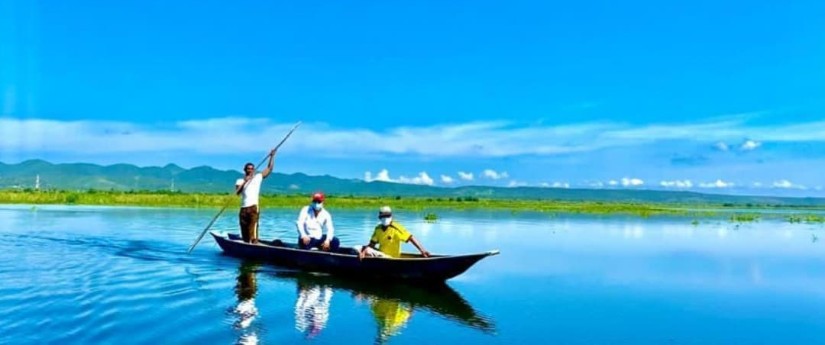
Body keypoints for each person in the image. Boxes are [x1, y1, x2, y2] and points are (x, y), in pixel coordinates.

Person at [235, 149, 276, 244]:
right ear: (245, 170)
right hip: (243, 209)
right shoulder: (240, 181)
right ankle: (246, 245)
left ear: (254, 170)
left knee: (252, 232)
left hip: (253, 208)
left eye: (252, 169)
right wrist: (245, 181)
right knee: (244, 233)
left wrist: (272, 156)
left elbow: (269, 169)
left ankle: (254, 244)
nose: (250, 170)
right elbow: (237, 192)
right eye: (248, 168)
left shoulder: (258, 177)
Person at [358, 206, 430, 260]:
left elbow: (411, 238)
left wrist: (422, 251)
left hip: (392, 258)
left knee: (366, 250)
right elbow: (372, 244)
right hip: (381, 257)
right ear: (380, 217)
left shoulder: (396, 228)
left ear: (391, 217)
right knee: (358, 248)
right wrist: (363, 252)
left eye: (387, 216)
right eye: (383, 216)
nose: (385, 218)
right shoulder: (378, 229)